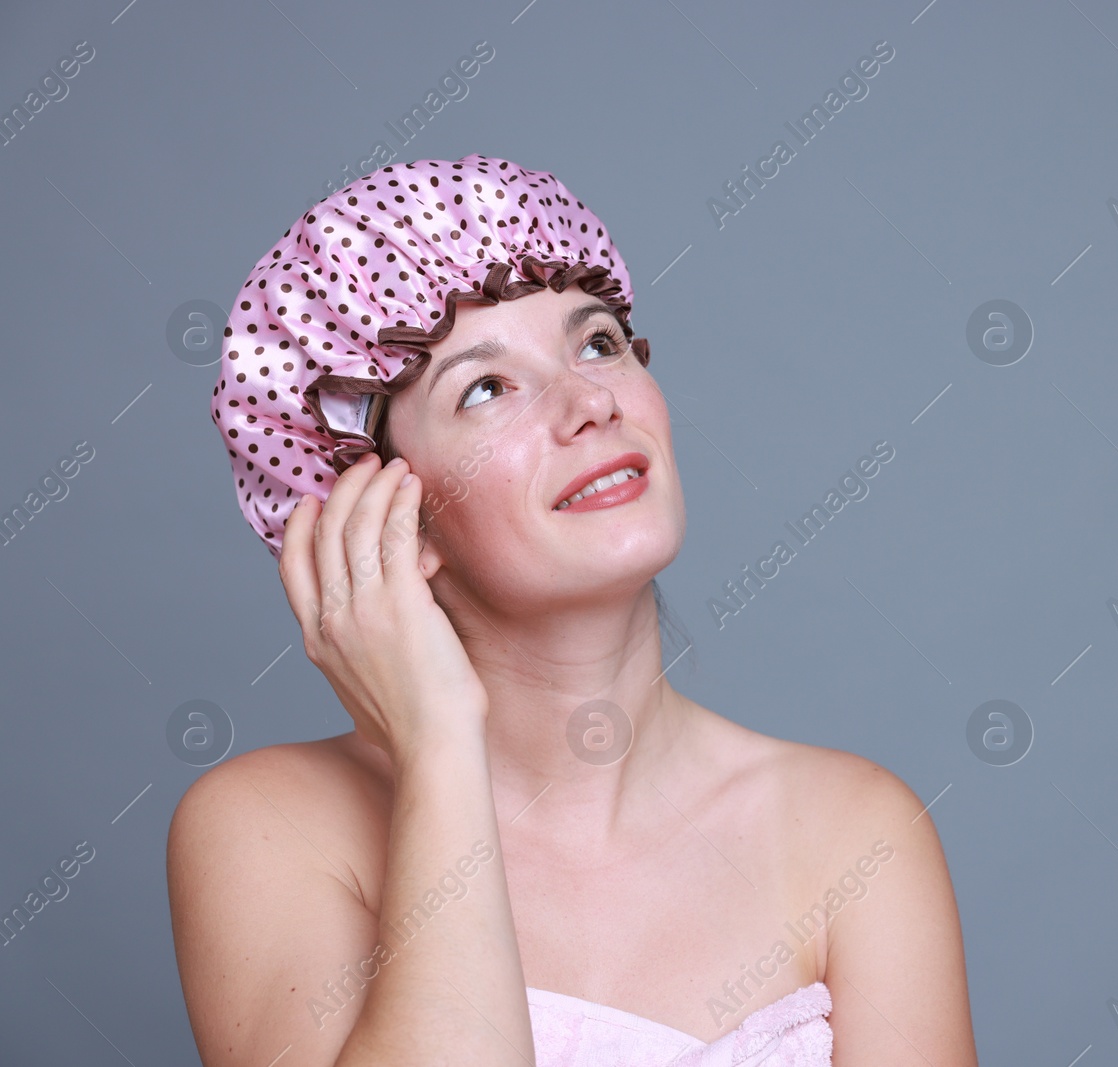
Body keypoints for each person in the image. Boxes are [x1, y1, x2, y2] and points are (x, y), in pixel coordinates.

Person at [168, 154, 978, 1066]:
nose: (590, 401)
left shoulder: (856, 836)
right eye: (486, 387)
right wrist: (438, 745)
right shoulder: (269, 829)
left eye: (598, 342)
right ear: (388, 513)